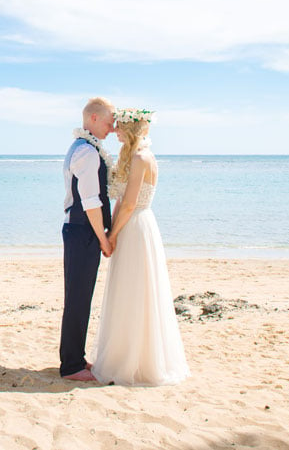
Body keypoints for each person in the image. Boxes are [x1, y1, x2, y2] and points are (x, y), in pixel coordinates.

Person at [90, 109, 189, 386]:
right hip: (130, 224)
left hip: (137, 226)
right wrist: (110, 233)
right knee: (127, 289)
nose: (116, 131)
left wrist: (112, 234)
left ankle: (137, 360)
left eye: (120, 127)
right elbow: (122, 201)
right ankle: (123, 353)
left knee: (137, 290)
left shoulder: (142, 158)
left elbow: (131, 203)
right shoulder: (132, 156)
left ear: (132, 130)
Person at [59, 97, 116, 381]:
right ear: (93, 119)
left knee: (81, 296)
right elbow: (90, 201)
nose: (113, 127)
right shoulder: (86, 152)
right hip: (82, 230)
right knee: (78, 297)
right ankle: (71, 366)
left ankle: (76, 358)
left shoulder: (85, 148)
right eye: (109, 121)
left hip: (82, 230)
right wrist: (103, 239)